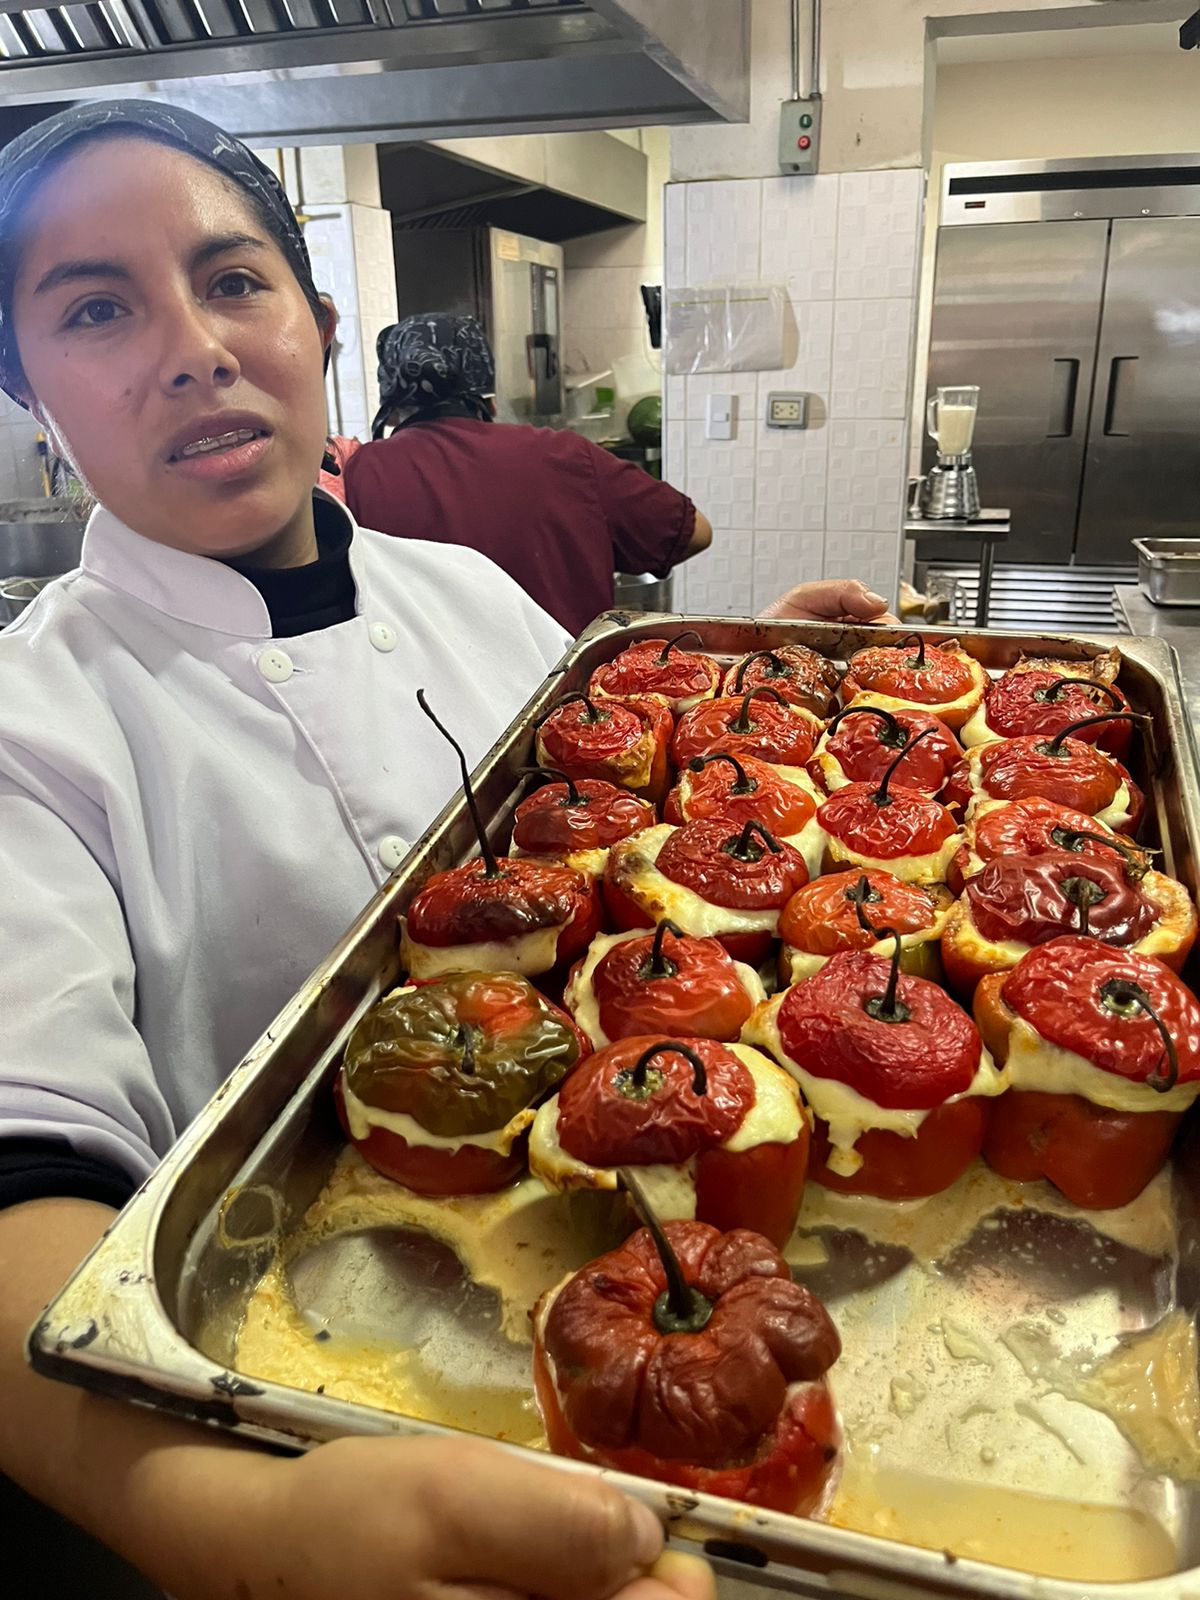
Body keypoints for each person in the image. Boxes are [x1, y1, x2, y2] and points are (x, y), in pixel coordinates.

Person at [0, 98, 889, 1597]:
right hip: (305, 1401)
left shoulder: (464, 592)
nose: (197, 346)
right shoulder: (37, 724)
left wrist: (745, 715)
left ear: (317, 321)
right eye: (97, 308)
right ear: (27, 389)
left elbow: (616, 844)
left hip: (651, 1240)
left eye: (233, 280)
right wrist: (211, 1525)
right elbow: (19, 1187)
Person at [342, 314, 714, 635]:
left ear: (391, 406)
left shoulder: (359, 473)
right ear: (487, 393)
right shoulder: (564, 454)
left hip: (429, 707)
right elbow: (696, 532)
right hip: (564, 704)